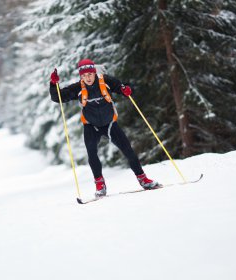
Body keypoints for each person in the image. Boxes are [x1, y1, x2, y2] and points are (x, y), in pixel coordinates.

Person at [49, 58, 159, 197]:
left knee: (128, 151)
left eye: (89, 74)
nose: (87, 78)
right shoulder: (78, 88)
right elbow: (58, 97)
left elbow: (122, 87)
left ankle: (143, 179)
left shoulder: (106, 81)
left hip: (110, 124)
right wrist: (54, 84)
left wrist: (126, 90)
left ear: (94, 72)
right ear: (81, 76)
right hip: (91, 126)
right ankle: (100, 184)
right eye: (84, 75)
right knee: (92, 153)